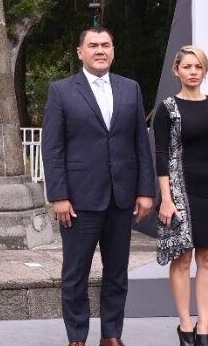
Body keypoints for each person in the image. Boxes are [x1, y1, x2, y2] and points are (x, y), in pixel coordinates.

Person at [42, 27, 155, 346]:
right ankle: (77, 337)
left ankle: (111, 335)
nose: (100, 50)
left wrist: (146, 190)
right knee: (75, 273)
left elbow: (140, 144)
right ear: (80, 52)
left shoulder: (130, 89)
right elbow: (52, 148)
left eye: (106, 45)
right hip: (79, 200)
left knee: (117, 272)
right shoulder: (61, 91)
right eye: (93, 45)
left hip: (122, 198)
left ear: (113, 50)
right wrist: (59, 196)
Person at [153, 46, 208, 346]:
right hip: (178, 189)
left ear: (204, 71)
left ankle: (203, 328)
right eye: (187, 66)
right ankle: (185, 326)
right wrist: (165, 198)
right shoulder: (167, 108)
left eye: (198, 67)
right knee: (183, 258)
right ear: (176, 70)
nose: (193, 71)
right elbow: (161, 154)